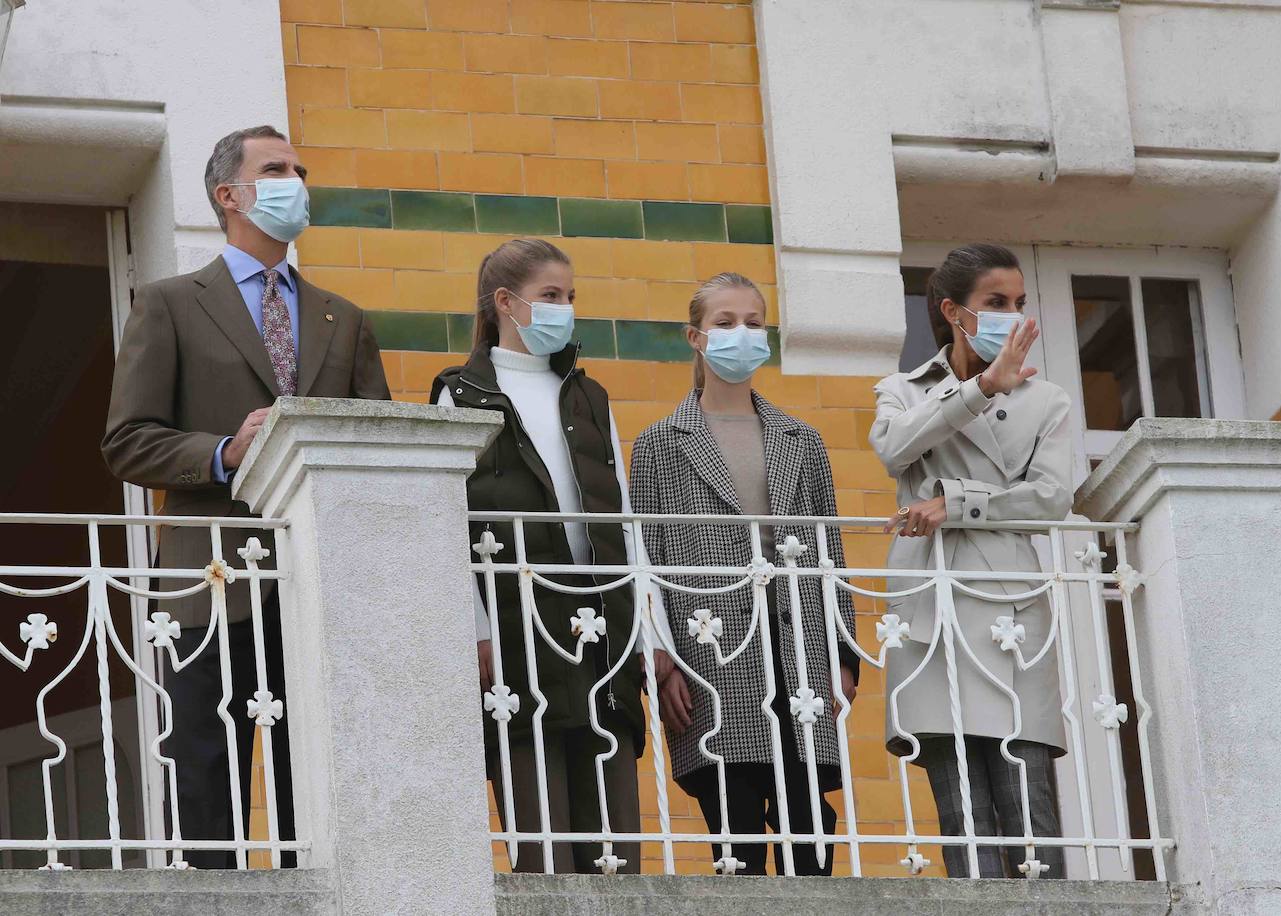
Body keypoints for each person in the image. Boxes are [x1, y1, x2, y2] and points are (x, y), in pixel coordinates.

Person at [102, 125, 391, 868]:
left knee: (328, 781)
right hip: (211, 581)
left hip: (324, 586)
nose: (296, 179)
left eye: (300, 166)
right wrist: (225, 452)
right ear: (228, 195)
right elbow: (128, 439)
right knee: (207, 779)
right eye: (275, 168)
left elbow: (378, 446)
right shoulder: (168, 303)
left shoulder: (345, 317)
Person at [629, 272, 860, 876]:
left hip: (799, 649)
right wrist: (661, 658)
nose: (742, 333)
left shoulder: (801, 440)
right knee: (733, 827)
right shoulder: (659, 445)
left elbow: (827, 551)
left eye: (753, 322)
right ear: (695, 338)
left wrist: (843, 654)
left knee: (811, 826)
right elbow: (645, 557)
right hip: (712, 653)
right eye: (725, 323)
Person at [430, 238, 645, 875]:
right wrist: (476, 632)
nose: (565, 309)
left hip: (597, 616)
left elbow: (624, 520)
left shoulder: (588, 396)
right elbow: (446, 525)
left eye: (570, 298)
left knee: (612, 832)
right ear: (505, 302)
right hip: (514, 619)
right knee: (539, 824)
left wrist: (644, 630)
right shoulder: (460, 396)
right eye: (551, 296)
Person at [869, 243, 1072, 878]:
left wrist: (955, 502)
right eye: (995, 304)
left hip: (1007, 599)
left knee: (1027, 794)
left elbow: (1051, 498)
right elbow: (896, 449)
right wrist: (982, 388)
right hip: (931, 602)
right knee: (959, 803)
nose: (1012, 318)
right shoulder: (902, 390)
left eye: (1019, 304)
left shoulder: (1048, 401)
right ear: (955, 312)